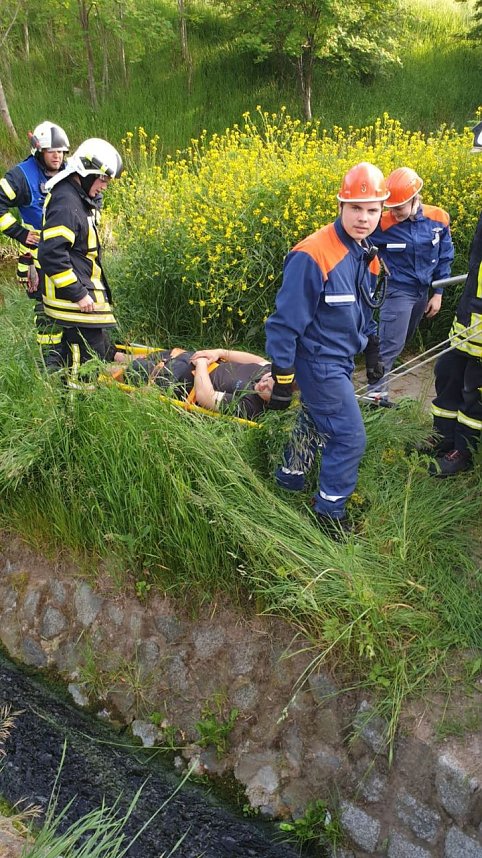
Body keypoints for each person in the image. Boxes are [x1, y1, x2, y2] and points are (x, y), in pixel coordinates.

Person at [265, 161, 388, 532]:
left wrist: (371, 346)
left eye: (372, 210)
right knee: (349, 437)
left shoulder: (367, 255)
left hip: (341, 359)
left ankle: (289, 478)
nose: (363, 218)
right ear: (340, 206)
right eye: (355, 208)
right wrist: (282, 378)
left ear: (382, 211)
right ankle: (329, 513)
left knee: (314, 419)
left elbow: (364, 309)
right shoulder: (313, 254)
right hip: (318, 362)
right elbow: (284, 324)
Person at [367, 167, 454, 401]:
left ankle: (379, 378)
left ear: (415, 199)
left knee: (402, 340)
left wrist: (438, 293)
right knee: (389, 346)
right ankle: (375, 398)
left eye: (399, 207)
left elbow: (445, 256)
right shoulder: (381, 223)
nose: (394, 213)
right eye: (390, 207)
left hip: (423, 293)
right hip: (397, 291)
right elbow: (356, 244)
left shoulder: (439, 218)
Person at [38, 138, 123, 373]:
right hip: (72, 302)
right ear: (86, 172)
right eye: (102, 179)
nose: (104, 186)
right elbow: (51, 254)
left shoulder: (77, 197)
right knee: (86, 362)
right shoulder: (66, 202)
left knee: (98, 349)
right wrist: (78, 294)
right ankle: (80, 396)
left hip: (76, 300)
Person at [429, 121, 482, 477]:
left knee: (475, 390)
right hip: (469, 314)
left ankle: (463, 452)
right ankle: (442, 438)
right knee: (448, 372)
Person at [0, 121, 70, 358]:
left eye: (61, 151)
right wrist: (19, 233)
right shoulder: (21, 176)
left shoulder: (69, 172)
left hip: (68, 256)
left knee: (71, 305)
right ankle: (50, 361)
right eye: (51, 151)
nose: (57, 156)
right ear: (39, 151)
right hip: (38, 260)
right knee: (46, 311)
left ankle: (74, 353)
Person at [117, 346, 275, 420]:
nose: (262, 384)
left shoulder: (250, 407)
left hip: (176, 379)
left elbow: (206, 396)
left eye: (267, 389)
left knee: (123, 370)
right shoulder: (270, 371)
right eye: (267, 379)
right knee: (122, 357)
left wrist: (201, 364)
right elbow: (259, 360)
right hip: (189, 359)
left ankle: (106, 369)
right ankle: (115, 355)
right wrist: (218, 352)